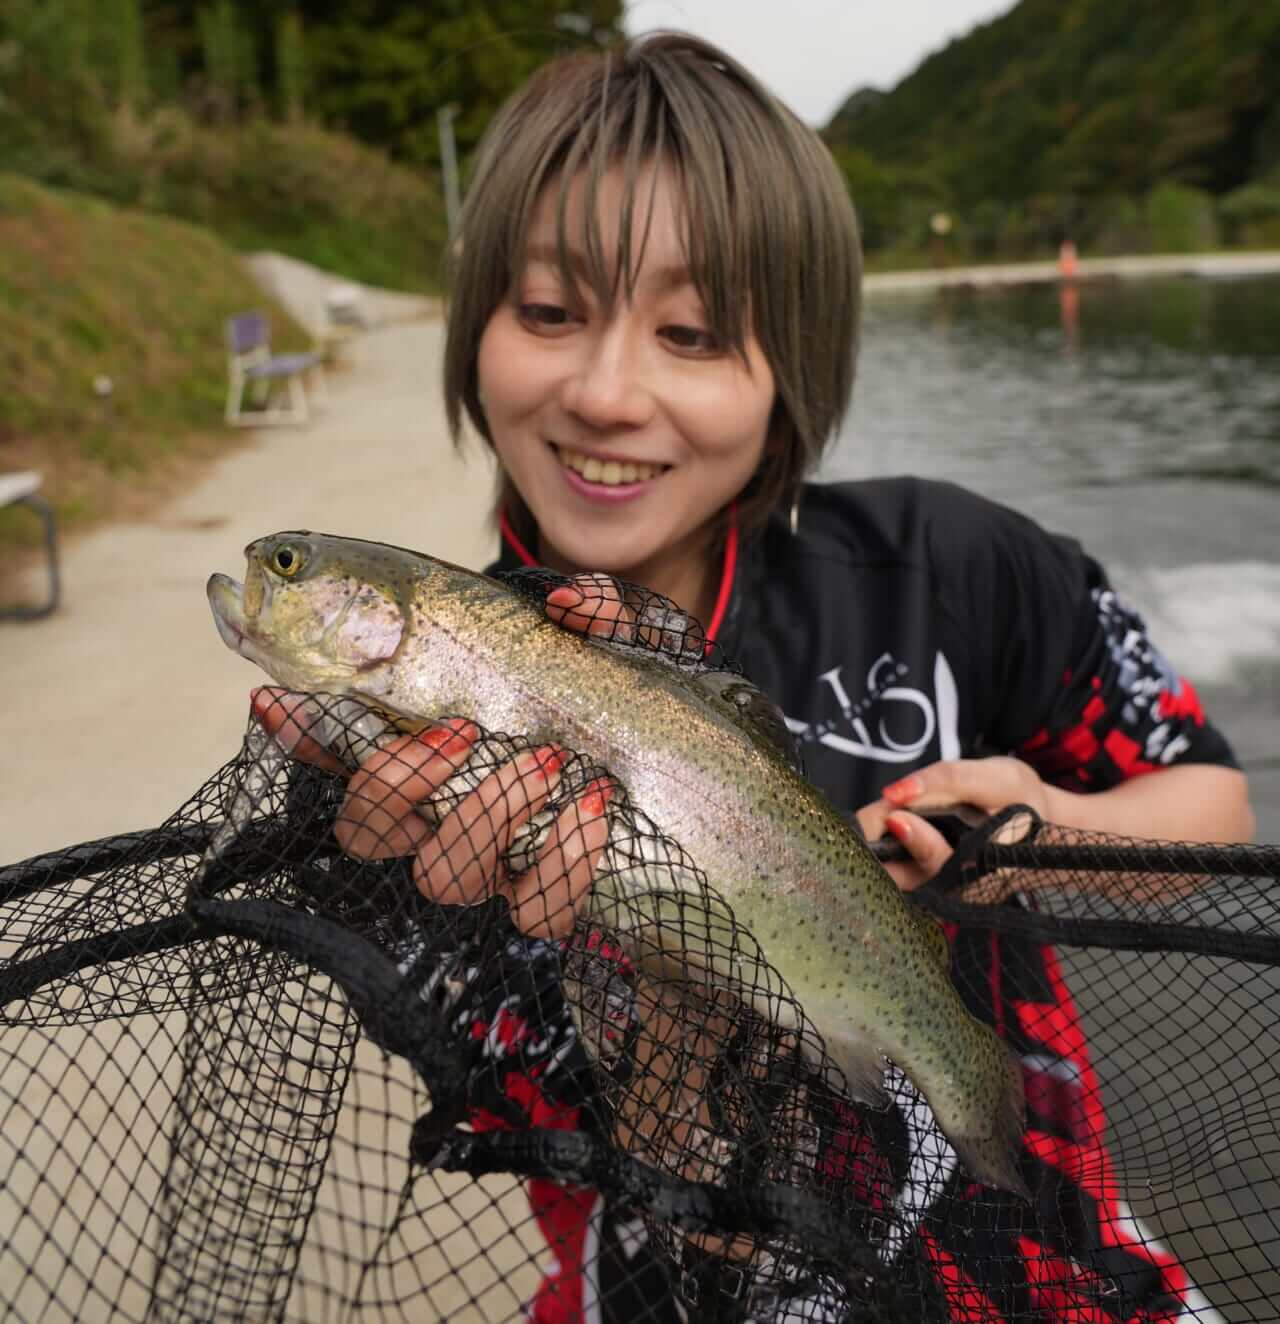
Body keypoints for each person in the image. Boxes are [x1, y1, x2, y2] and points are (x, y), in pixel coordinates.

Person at [255, 31, 1254, 1323]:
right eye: (550, 312)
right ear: (476, 331)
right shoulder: (380, 758)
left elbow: (1213, 809)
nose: (607, 393)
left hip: (1047, 1268)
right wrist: (655, 1016)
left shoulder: (962, 570)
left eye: (692, 332)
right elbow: (556, 1122)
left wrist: (1045, 832)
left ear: (793, 371)